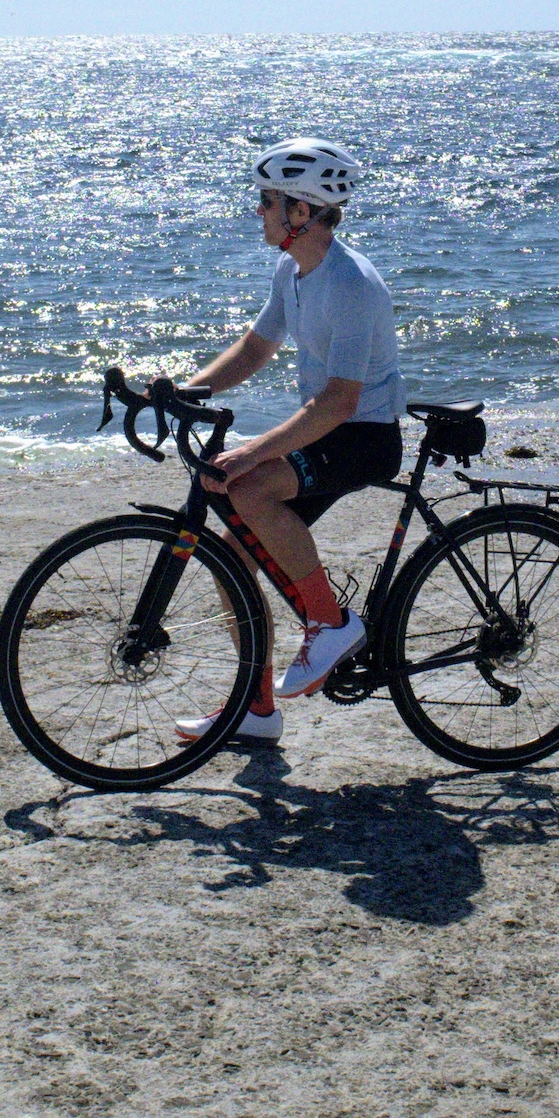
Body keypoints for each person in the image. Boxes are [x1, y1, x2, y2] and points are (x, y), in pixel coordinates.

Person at [173, 138, 404, 747]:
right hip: (325, 427)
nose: (259, 211)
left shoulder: (351, 284)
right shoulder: (292, 270)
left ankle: (331, 622)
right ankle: (256, 709)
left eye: (267, 200)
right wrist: (182, 393)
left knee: (247, 485)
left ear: (300, 212)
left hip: (363, 436)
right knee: (231, 562)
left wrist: (254, 451)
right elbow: (254, 350)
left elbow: (340, 401)